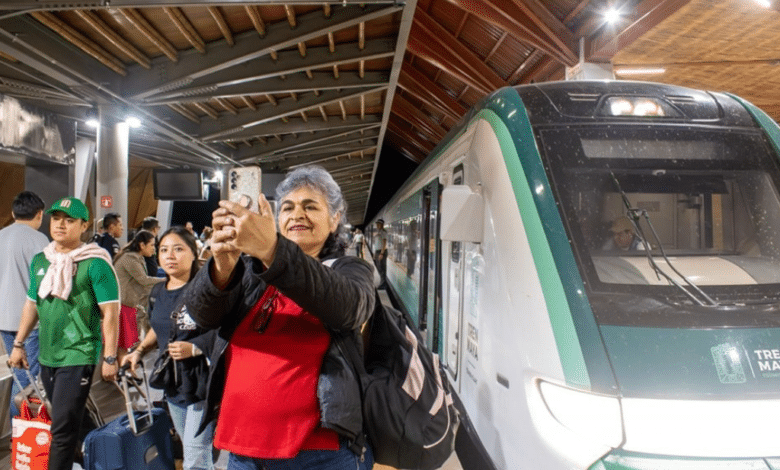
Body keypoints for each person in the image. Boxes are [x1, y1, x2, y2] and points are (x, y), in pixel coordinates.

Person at [185, 165, 376, 470]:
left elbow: (349, 308)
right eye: (287, 207)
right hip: (243, 451)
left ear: (335, 218)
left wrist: (271, 249)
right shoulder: (248, 271)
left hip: (319, 454)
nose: (296, 214)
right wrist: (221, 265)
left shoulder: (350, 269)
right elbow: (200, 315)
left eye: (310, 206)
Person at [8, 196, 120, 470]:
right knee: (70, 418)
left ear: (84, 226)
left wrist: (109, 357)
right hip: (48, 353)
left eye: (69, 220)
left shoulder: (96, 263)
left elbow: (111, 312)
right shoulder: (40, 261)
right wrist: (19, 344)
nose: (60, 225)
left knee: (60, 430)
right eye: (56, 218)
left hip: (78, 353)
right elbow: (31, 304)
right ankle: (96, 457)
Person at [123, 226, 216, 470]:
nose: (170, 256)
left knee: (196, 456)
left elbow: (223, 330)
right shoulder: (157, 293)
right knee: (190, 449)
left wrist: (194, 347)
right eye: (163, 250)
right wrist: (138, 351)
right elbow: (157, 328)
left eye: (178, 249)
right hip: (174, 385)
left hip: (203, 385)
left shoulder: (206, 291)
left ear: (194, 253)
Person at [0, 191, 49, 420]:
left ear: (13, 213)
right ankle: (20, 437)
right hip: (30, 323)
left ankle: (17, 437)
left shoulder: (1, 236)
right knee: (28, 382)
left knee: (19, 374)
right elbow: (45, 285)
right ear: (40, 214)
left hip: (4, 320)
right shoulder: (39, 240)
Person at [113, 230, 165, 359]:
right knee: (123, 345)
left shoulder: (136, 257)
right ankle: (122, 374)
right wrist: (168, 279)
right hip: (123, 305)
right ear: (142, 245)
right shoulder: (129, 258)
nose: (154, 248)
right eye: (152, 245)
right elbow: (144, 280)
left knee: (125, 345)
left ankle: (125, 373)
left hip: (128, 304)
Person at [372, 219, 388, 288]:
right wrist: (375, 253)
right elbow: (376, 242)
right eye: (377, 224)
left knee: (382, 267)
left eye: (379, 224)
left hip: (381, 252)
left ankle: (383, 284)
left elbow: (384, 243)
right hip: (377, 251)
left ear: (382, 225)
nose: (377, 225)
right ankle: (382, 281)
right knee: (378, 266)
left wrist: (382, 253)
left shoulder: (383, 232)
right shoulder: (378, 232)